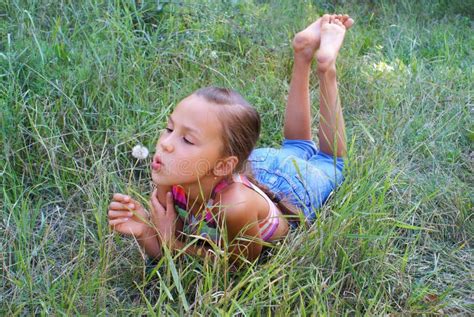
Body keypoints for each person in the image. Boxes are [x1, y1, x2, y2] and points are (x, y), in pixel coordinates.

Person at [108, 14, 354, 265]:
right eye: (169, 128)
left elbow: (236, 266)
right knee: (297, 146)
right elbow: (163, 249)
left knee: (332, 161)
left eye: (188, 140)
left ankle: (326, 68)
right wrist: (143, 230)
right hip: (257, 167)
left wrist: (171, 241)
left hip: (295, 187)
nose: (165, 144)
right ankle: (302, 54)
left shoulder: (235, 207)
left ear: (224, 164)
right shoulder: (171, 179)